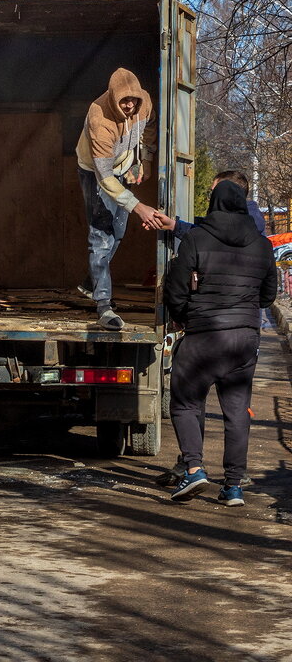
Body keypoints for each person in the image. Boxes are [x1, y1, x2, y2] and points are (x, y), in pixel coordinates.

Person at [162, 180, 277, 506]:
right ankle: (233, 487)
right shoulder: (262, 245)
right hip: (243, 340)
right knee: (237, 412)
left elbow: (175, 289)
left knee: (185, 402)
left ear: (213, 203)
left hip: (203, 335)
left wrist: (186, 317)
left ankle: (195, 468)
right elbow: (267, 296)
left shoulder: (197, 238)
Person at [76, 68, 162, 331]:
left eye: (133, 100)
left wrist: (145, 159)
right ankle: (103, 306)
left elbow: (150, 127)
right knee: (101, 235)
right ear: (113, 98)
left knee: (119, 231)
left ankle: (91, 281)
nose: (129, 105)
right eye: (124, 100)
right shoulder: (99, 118)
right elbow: (104, 177)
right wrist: (139, 206)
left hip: (122, 168)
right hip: (96, 173)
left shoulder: (144, 103)